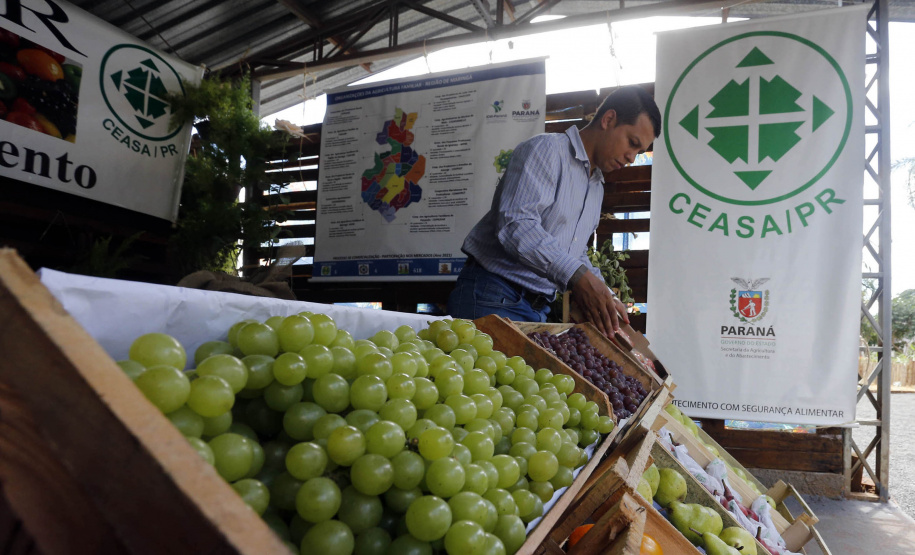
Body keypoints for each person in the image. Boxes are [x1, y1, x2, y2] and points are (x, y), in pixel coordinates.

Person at [448, 85, 661, 337]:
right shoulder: (546, 151)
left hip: (538, 309)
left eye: (639, 151)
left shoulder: (596, 186)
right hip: (492, 296)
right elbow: (516, 225)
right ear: (608, 119)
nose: (631, 158)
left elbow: (573, 250)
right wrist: (577, 276)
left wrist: (605, 294)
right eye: (632, 143)